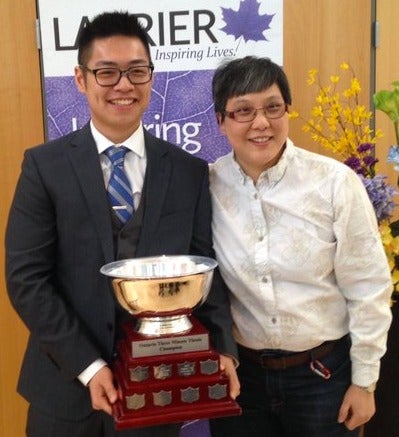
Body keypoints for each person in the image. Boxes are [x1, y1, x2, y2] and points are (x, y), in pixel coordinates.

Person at [5, 11, 239, 437]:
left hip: (158, 387)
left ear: (151, 77)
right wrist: (89, 366)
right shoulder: (44, 167)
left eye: (136, 71)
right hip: (63, 392)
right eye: (107, 73)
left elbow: (208, 267)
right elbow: (26, 279)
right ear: (81, 79)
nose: (124, 85)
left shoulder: (188, 172)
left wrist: (223, 348)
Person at [208, 56, 393, 437]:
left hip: (323, 377)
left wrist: (365, 382)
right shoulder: (206, 187)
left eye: (273, 107)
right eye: (243, 111)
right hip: (243, 382)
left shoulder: (334, 184)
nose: (261, 123)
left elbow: (368, 287)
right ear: (221, 121)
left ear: (288, 110)